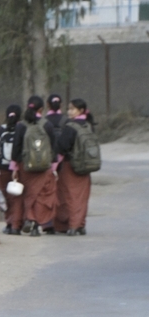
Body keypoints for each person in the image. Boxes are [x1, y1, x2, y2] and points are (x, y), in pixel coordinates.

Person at [11, 96, 58, 237]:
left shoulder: (21, 125)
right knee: (40, 196)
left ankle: (30, 219)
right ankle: (36, 225)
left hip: (25, 166)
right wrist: (54, 167)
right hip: (44, 167)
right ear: (41, 109)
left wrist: (15, 168)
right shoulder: (47, 125)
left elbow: (16, 148)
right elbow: (53, 146)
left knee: (29, 195)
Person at [54, 98, 96, 236]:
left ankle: (71, 225)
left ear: (81, 110)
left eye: (72, 109)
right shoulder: (89, 126)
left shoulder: (70, 127)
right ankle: (80, 225)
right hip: (86, 166)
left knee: (69, 196)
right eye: (69, 109)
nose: (69, 112)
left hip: (70, 166)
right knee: (82, 196)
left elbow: (62, 146)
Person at [0, 105, 24, 234]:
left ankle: (9, 223)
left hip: (3, 167)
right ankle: (17, 224)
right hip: (19, 168)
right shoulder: (22, 128)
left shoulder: (1, 130)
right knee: (18, 197)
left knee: (6, 196)